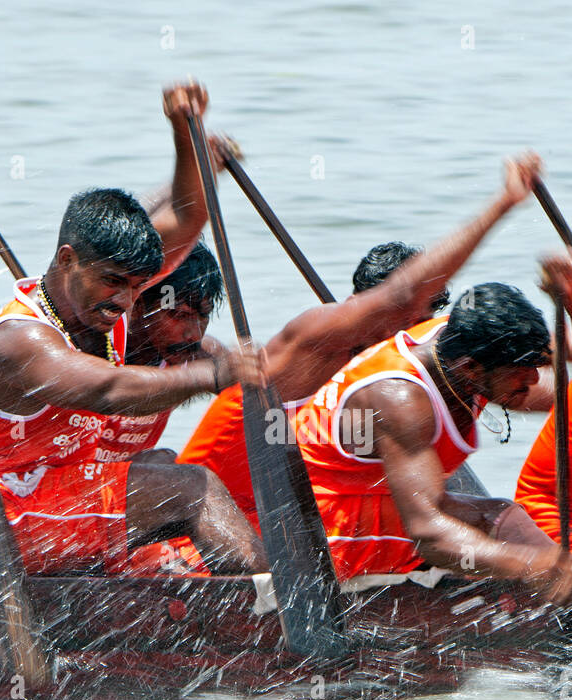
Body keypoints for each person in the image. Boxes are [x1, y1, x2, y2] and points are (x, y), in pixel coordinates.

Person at [0, 82, 269, 576]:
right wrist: (218, 374)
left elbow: (188, 214)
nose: (124, 301)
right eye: (113, 283)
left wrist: (184, 130)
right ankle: (273, 618)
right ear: (67, 260)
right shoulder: (19, 341)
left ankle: (223, 601)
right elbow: (110, 390)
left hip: (57, 494)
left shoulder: (106, 293)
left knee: (160, 462)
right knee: (189, 487)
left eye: (137, 287)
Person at [179, 152, 553, 526]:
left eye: (421, 326)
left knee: (425, 446)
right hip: (214, 522)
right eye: (400, 323)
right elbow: (402, 296)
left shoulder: (412, 361)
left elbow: (522, 389)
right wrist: (503, 203)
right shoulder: (317, 336)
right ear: (360, 307)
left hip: (308, 519)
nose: (412, 339)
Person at [292, 281, 572, 602]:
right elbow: (428, 534)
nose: (534, 381)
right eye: (520, 373)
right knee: (496, 532)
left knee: (503, 518)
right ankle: (553, 609)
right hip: (325, 530)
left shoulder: (466, 335)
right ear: (470, 368)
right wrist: (526, 564)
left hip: (386, 496)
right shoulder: (401, 400)